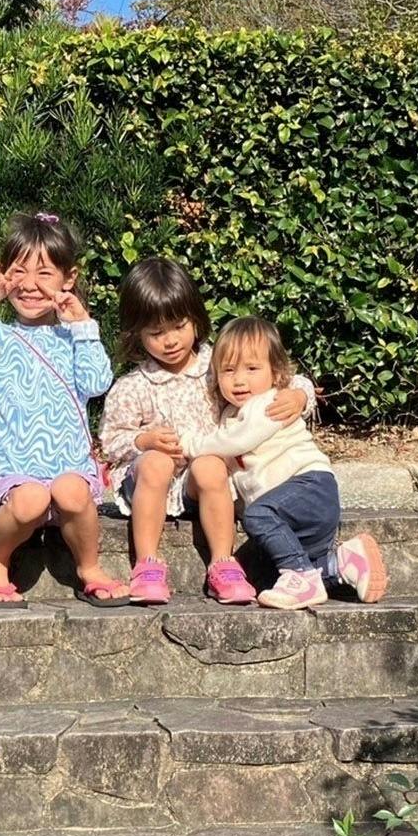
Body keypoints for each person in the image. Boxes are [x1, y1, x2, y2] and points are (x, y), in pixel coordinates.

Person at [0, 211, 130, 609]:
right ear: (3, 272)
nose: (30, 285)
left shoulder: (74, 336)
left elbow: (97, 382)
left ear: (69, 278)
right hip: (16, 475)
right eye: (19, 271)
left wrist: (83, 325)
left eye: (45, 273)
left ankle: (90, 567)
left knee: (70, 491)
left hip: (71, 470)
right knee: (31, 498)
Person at [99, 257, 314, 604]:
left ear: (196, 319)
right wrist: (144, 440)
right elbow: (110, 441)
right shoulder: (133, 386)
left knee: (211, 463)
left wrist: (299, 395)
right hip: (150, 479)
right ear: (136, 333)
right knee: (156, 462)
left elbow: (276, 374)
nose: (170, 341)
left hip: (199, 483)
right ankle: (147, 564)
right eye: (156, 333)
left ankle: (223, 564)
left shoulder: (217, 365)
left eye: (179, 326)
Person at [179, 316, 388, 610]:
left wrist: (189, 444)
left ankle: (301, 575)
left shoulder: (270, 403)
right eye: (228, 370)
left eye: (252, 369)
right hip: (290, 515)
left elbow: (236, 442)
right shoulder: (230, 414)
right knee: (260, 574)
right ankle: (343, 563)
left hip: (309, 488)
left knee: (257, 516)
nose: (239, 380)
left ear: (276, 372)